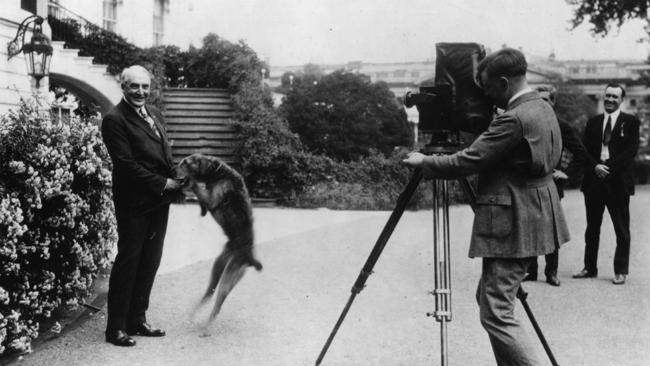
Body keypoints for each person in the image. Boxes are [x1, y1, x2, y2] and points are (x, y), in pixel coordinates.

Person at [403, 48, 570, 365]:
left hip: (514, 220)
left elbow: (470, 159)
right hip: (531, 213)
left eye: (489, 88)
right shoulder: (542, 107)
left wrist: (426, 161)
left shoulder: (513, 119)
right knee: (490, 299)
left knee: (495, 312)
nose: (486, 97)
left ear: (504, 82)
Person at [101, 65, 184, 347]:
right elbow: (126, 166)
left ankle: (137, 320)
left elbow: (164, 154)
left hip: (158, 203)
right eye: (134, 86)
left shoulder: (154, 114)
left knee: (150, 262)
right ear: (123, 87)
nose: (140, 92)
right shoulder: (114, 119)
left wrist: (177, 177)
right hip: (134, 204)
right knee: (129, 262)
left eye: (145, 87)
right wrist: (164, 183)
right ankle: (116, 329)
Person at [573, 83, 640, 285]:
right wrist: (595, 167)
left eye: (615, 97)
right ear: (604, 98)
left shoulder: (630, 122)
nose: (610, 100)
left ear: (621, 100)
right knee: (592, 228)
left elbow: (630, 151)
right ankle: (589, 268)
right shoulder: (593, 122)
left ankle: (620, 271)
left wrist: (607, 168)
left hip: (618, 182)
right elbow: (584, 150)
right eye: (608, 96)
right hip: (594, 181)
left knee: (621, 229)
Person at [524, 85, 590, 287]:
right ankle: (531, 271)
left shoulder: (562, 125)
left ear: (553, 102)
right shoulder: (527, 123)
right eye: (538, 100)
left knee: (550, 229)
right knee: (530, 228)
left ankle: (551, 272)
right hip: (528, 184)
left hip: (552, 184)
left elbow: (582, 154)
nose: (542, 105)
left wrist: (566, 173)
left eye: (546, 100)